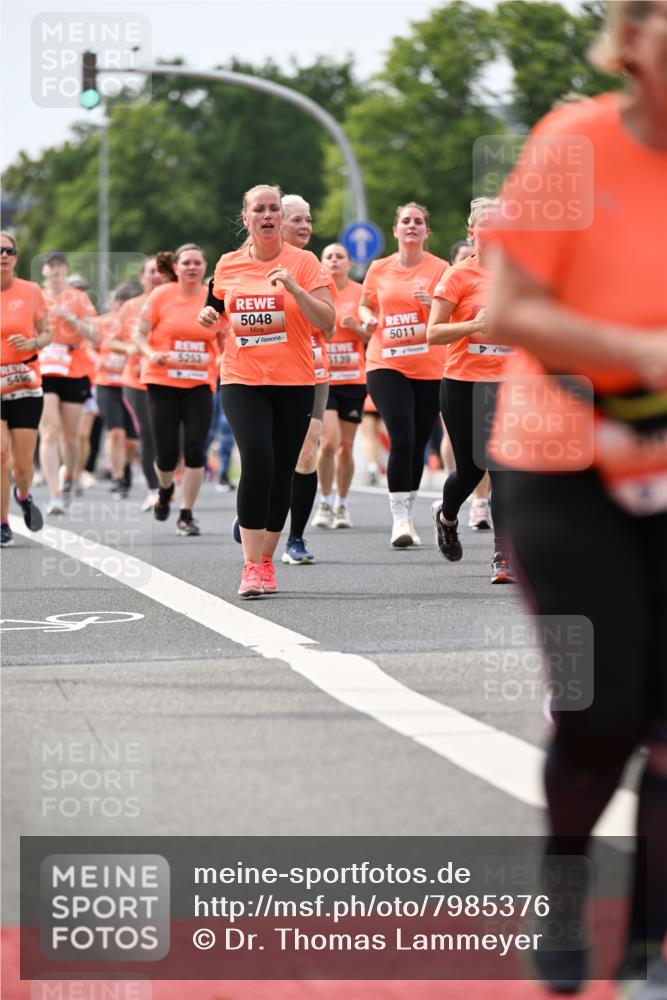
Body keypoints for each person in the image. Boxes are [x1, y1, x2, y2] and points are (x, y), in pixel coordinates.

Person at [486, 2, 667, 994]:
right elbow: (506, 308)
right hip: (560, 459)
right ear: (632, 37)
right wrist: (636, 356)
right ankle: (563, 877)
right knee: (601, 711)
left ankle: (648, 949)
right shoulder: (574, 144)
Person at [199, 183, 334, 597]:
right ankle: (250, 566)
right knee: (257, 461)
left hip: (295, 381)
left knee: (281, 473)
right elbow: (215, 306)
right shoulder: (228, 264)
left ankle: (265, 562)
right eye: (259, 209)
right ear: (246, 218)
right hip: (242, 380)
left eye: (274, 208)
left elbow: (327, 321)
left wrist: (294, 288)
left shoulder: (304, 262)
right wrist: (209, 316)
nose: (268, 215)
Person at [426, 197, 514, 583]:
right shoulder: (457, 276)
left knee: (506, 469)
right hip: (463, 382)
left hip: (509, 383)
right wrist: (475, 325)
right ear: (472, 232)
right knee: (472, 469)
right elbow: (433, 333)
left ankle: (503, 556)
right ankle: (446, 516)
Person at [359, 202, 448, 546]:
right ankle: (399, 519)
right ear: (395, 230)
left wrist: (432, 305)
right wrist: (368, 317)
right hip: (386, 363)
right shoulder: (379, 268)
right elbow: (366, 303)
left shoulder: (441, 269)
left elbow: (454, 313)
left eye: (418, 221)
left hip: (429, 366)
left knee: (419, 442)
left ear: (427, 231)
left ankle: (408, 512)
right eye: (406, 221)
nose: (412, 226)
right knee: (402, 437)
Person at [134, 244, 222, 536]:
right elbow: (138, 334)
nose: (192, 267)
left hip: (199, 383)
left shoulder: (213, 297)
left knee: (195, 449)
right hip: (162, 382)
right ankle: (164, 489)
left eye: (197, 262)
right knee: (167, 453)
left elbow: (224, 337)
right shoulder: (162, 295)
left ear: (205, 266)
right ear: (176, 267)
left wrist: (221, 359)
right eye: (186, 263)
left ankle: (186, 514)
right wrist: (150, 354)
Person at [279, 194, 335, 565]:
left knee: (307, 449)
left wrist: (298, 293)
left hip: (313, 370)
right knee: (269, 456)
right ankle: (256, 510)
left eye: (308, 219)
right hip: (266, 373)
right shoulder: (253, 264)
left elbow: (328, 326)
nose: (305, 226)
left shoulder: (313, 266)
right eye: (296, 219)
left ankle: (295, 538)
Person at [1, 231, 51, 545]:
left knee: (21, 464)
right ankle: (2, 522)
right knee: (0, 455)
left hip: (25, 381)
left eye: (8, 251)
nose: (3, 256)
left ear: (16, 257)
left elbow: (47, 334)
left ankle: (23, 494)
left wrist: (32, 343)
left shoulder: (31, 291)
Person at [311, 242, 367, 529]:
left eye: (340, 256)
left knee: (346, 447)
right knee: (328, 442)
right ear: (322, 263)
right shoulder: (317, 291)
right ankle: (324, 500)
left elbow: (372, 336)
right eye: (329, 256)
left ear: (349, 263)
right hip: (325, 378)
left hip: (354, 379)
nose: (334, 260)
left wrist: (357, 328)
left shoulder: (360, 292)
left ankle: (341, 504)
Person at [38, 250, 98, 514]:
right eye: (51, 266)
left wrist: (70, 317)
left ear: (66, 269)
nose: (56, 270)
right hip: (44, 367)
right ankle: (55, 494)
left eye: (60, 265)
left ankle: (70, 478)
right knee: (50, 432)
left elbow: (95, 335)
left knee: (71, 438)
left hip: (73, 368)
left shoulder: (78, 298)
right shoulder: (36, 296)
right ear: (43, 270)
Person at [119, 257, 165, 511]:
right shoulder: (130, 307)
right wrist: (128, 347)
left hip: (169, 377)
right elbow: (109, 339)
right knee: (148, 432)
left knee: (172, 434)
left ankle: (167, 480)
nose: (156, 275)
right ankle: (153, 489)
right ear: (142, 277)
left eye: (161, 271)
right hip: (136, 380)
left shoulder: (174, 301)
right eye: (151, 271)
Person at [93, 284, 140, 497]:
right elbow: (89, 347)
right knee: (116, 433)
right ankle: (118, 477)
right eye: (119, 303)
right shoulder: (105, 323)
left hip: (130, 385)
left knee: (132, 441)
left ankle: (125, 466)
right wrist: (97, 362)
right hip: (106, 384)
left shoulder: (138, 325)